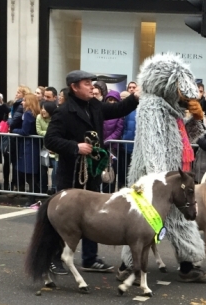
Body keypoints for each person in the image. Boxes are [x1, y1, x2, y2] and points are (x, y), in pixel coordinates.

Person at [44, 69, 138, 273]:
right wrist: (75, 147)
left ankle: (89, 258)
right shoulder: (64, 111)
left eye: (92, 83)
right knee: (64, 217)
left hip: (92, 172)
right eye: (87, 83)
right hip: (71, 172)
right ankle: (54, 257)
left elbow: (118, 109)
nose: (91, 87)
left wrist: (135, 97)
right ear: (74, 87)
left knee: (91, 216)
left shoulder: (93, 106)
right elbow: (50, 139)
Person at [11, 93, 43, 199]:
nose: (22, 103)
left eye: (24, 100)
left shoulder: (29, 114)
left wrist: (13, 130)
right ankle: (33, 196)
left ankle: (32, 198)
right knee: (28, 173)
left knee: (29, 173)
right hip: (30, 145)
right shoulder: (34, 113)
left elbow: (25, 131)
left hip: (29, 146)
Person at [37, 101, 57, 194]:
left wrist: (49, 135)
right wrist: (50, 134)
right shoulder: (39, 117)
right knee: (42, 170)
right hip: (44, 149)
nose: (43, 111)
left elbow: (57, 132)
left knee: (56, 170)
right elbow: (39, 131)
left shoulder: (56, 118)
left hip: (56, 149)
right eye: (42, 108)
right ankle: (43, 189)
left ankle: (54, 188)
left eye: (45, 109)